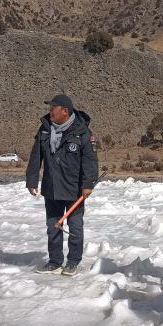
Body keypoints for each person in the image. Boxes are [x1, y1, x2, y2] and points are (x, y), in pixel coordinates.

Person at [26, 94, 99, 276]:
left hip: (74, 189)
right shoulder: (45, 129)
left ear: (64, 111)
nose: (50, 111)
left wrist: (88, 183)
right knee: (53, 227)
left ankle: (73, 261)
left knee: (75, 228)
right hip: (51, 187)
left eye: (53, 108)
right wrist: (32, 180)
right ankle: (55, 262)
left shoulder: (82, 132)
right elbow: (36, 156)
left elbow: (90, 160)